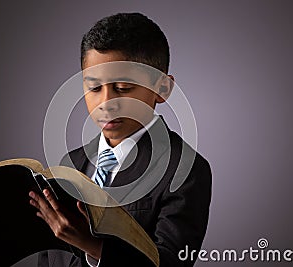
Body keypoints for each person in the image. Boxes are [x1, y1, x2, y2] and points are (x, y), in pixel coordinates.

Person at [28, 12, 212, 267]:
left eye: (123, 88)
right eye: (93, 88)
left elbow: (171, 262)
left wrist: (92, 246)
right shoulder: (69, 163)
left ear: (162, 89)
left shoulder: (185, 169)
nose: (106, 103)